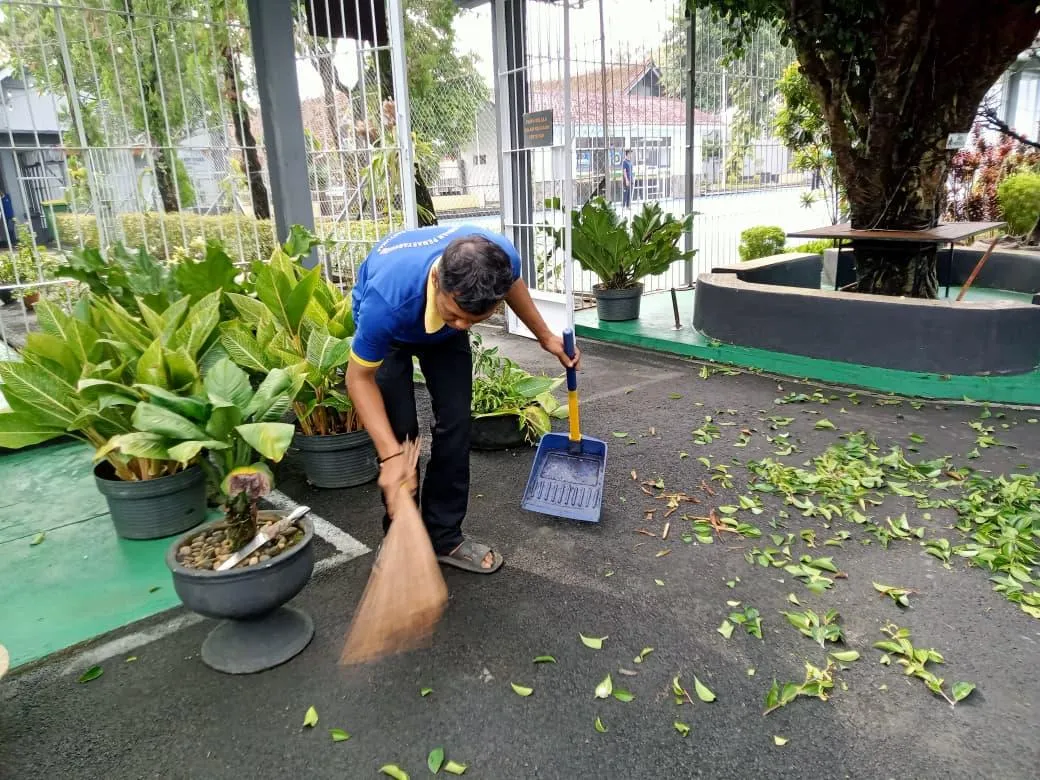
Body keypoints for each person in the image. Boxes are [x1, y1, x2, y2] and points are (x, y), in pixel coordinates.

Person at [346, 224, 580, 574]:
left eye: (474, 321)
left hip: (436, 336)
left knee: (456, 424)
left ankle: (444, 537)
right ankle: (399, 538)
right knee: (400, 435)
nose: (459, 325)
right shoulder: (385, 302)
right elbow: (358, 378)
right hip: (394, 331)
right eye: (454, 313)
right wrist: (391, 457)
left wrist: (544, 336)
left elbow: (511, 282)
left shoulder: (498, 258)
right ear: (439, 279)